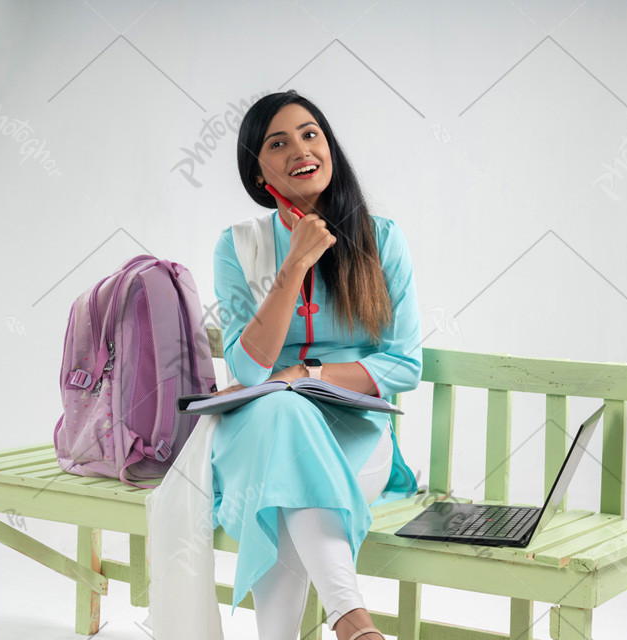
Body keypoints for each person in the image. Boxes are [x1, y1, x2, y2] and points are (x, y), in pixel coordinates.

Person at [210, 90, 421, 640]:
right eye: (277, 143)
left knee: (281, 484)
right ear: (260, 175)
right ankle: (354, 623)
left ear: (328, 147)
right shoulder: (237, 247)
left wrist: (308, 376)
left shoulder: (382, 240)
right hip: (258, 430)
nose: (300, 149)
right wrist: (296, 261)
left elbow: (404, 367)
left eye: (310, 134)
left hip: (356, 437)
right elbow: (250, 372)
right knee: (280, 416)